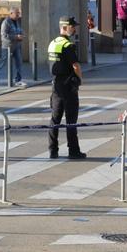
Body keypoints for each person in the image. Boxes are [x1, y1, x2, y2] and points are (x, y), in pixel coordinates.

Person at [48, 16, 86, 159]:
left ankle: (53, 150)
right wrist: (80, 80)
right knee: (71, 119)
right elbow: (75, 65)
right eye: (72, 26)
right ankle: (73, 151)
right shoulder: (67, 45)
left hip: (56, 85)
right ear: (64, 27)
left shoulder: (52, 43)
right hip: (68, 86)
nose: (74, 29)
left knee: (55, 119)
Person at [0, 7, 27, 87]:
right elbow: (4, 35)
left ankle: (18, 80)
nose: (18, 15)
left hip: (16, 46)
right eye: (16, 13)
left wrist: (22, 34)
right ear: (11, 13)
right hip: (7, 46)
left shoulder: (17, 22)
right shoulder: (6, 22)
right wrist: (16, 37)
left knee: (19, 62)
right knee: (2, 63)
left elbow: (19, 30)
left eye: (18, 13)